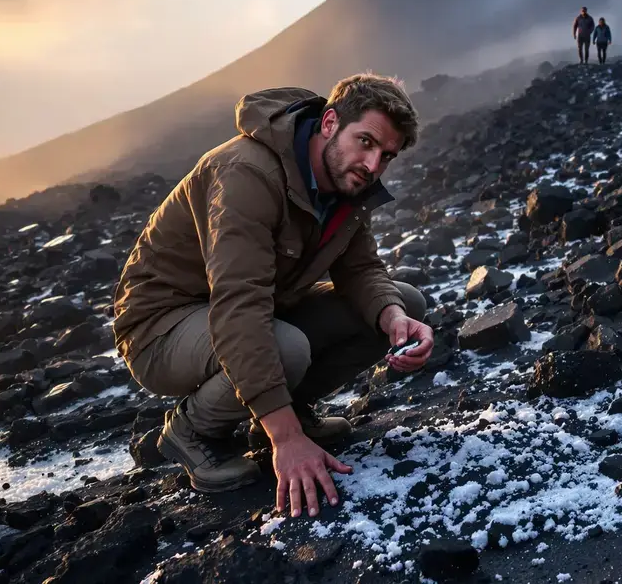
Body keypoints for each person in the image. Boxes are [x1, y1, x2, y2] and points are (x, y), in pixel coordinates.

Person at [112, 74, 435, 520]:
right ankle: (193, 430)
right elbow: (239, 308)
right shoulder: (248, 172)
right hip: (159, 329)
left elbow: (360, 269)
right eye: (365, 142)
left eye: (386, 156)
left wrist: (395, 317)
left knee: (403, 302)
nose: (372, 164)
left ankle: (285, 412)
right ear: (328, 123)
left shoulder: (344, 182)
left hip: (253, 309)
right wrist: (286, 441)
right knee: (284, 346)